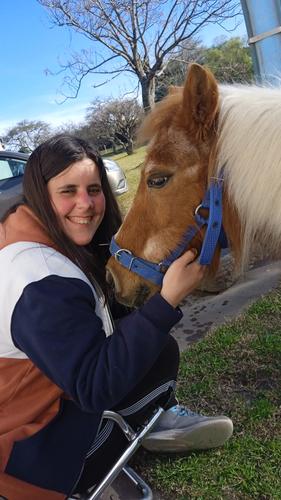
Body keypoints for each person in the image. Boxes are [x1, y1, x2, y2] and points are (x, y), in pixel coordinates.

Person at [0, 135, 233, 499]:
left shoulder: (22, 230)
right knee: (161, 353)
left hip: (26, 416)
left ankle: (159, 414)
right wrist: (167, 299)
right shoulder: (39, 280)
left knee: (142, 341)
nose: (87, 204)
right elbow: (95, 387)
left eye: (94, 189)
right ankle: (154, 422)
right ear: (39, 193)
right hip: (31, 464)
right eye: (68, 191)